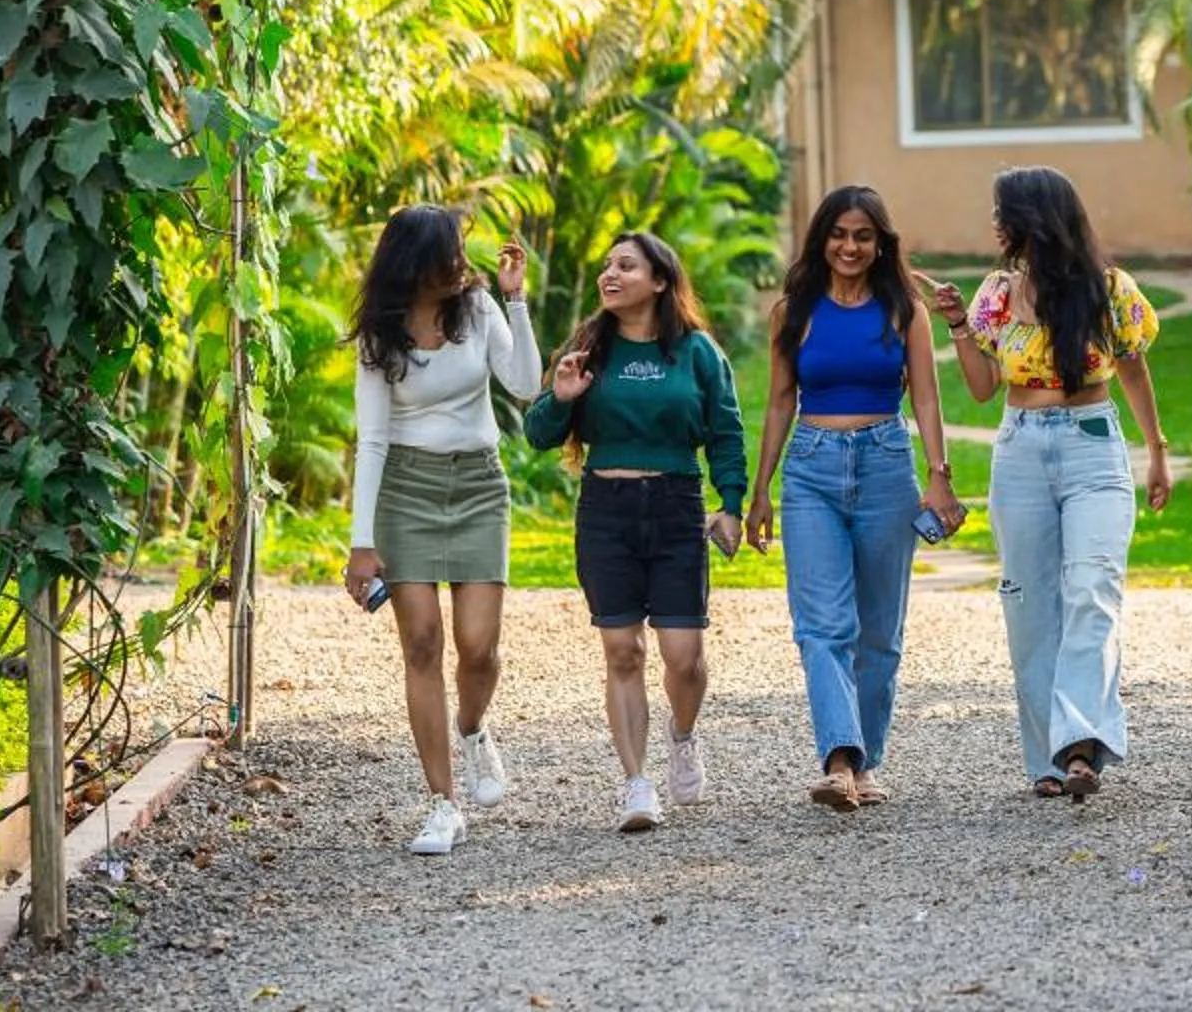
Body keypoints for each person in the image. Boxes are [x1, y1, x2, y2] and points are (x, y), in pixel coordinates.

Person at [916, 165, 1168, 803]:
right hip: (1020, 450)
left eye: (1002, 211)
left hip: (1093, 447)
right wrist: (956, 323)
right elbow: (981, 389)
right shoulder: (997, 294)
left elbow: (1133, 371)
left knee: (1093, 589)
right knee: (1027, 604)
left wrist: (1156, 452)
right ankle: (1049, 760)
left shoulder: (1110, 290)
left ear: (1033, 219)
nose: (995, 223)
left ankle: (1081, 744)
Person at [744, 185, 964, 812]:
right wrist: (761, 489)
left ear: (880, 243)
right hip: (811, 470)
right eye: (839, 234)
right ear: (822, 239)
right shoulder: (794, 311)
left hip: (886, 465)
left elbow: (925, 396)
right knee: (821, 627)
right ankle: (840, 760)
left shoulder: (905, 309)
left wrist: (938, 472)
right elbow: (781, 399)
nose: (849, 246)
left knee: (879, 632)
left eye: (863, 236)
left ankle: (865, 759)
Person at [522, 231, 748, 834]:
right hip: (606, 507)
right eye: (606, 265)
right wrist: (562, 397)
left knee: (685, 657)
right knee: (623, 651)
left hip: (676, 503)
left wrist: (731, 503)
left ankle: (683, 735)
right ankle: (636, 784)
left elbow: (726, 431)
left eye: (626, 265)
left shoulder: (698, 353)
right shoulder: (588, 348)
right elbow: (539, 433)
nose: (610, 274)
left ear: (660, 281)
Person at [340, 205, 540, 856]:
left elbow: (526, 385)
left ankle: (473, 729)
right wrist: (361, 543)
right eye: (449, 253)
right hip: (405, 490)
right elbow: (371, 440)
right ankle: (443, 803)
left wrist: (517, 303)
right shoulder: (381, 334)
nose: (463, 263)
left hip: (479, 486)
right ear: (414, 264)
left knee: (478, 646)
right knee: (422, 645)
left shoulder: (478, 310)